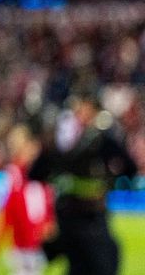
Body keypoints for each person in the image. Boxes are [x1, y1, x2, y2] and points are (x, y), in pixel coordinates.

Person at [30, 92, 139, 275]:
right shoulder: (61, 139)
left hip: (91, 214)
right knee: (89, 264)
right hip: (71, 215)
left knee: (98, 262)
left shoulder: (100, 140)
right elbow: (36, 173)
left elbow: (129, 167)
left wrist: (108, 181)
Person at [1, 124, 54, 275]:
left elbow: (47, 199)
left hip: (38, 231)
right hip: (22, 233)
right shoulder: (15, 172)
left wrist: (48, 221)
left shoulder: (41, 174)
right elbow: (13, 204)